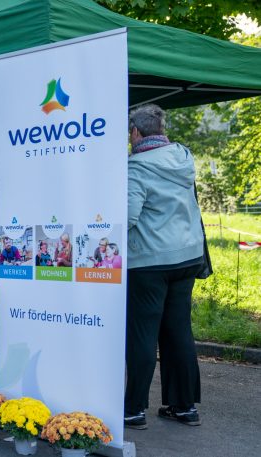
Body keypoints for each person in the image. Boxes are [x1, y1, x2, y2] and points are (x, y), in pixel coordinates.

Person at [124, 103, 204, 430]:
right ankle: (184, 407)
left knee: (144, 334)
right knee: (178, 332)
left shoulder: (136, 167)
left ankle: (133, 409)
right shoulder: (183, 158)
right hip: (187, 256)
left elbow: (127, 217)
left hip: (150, 261)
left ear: (135, 132)